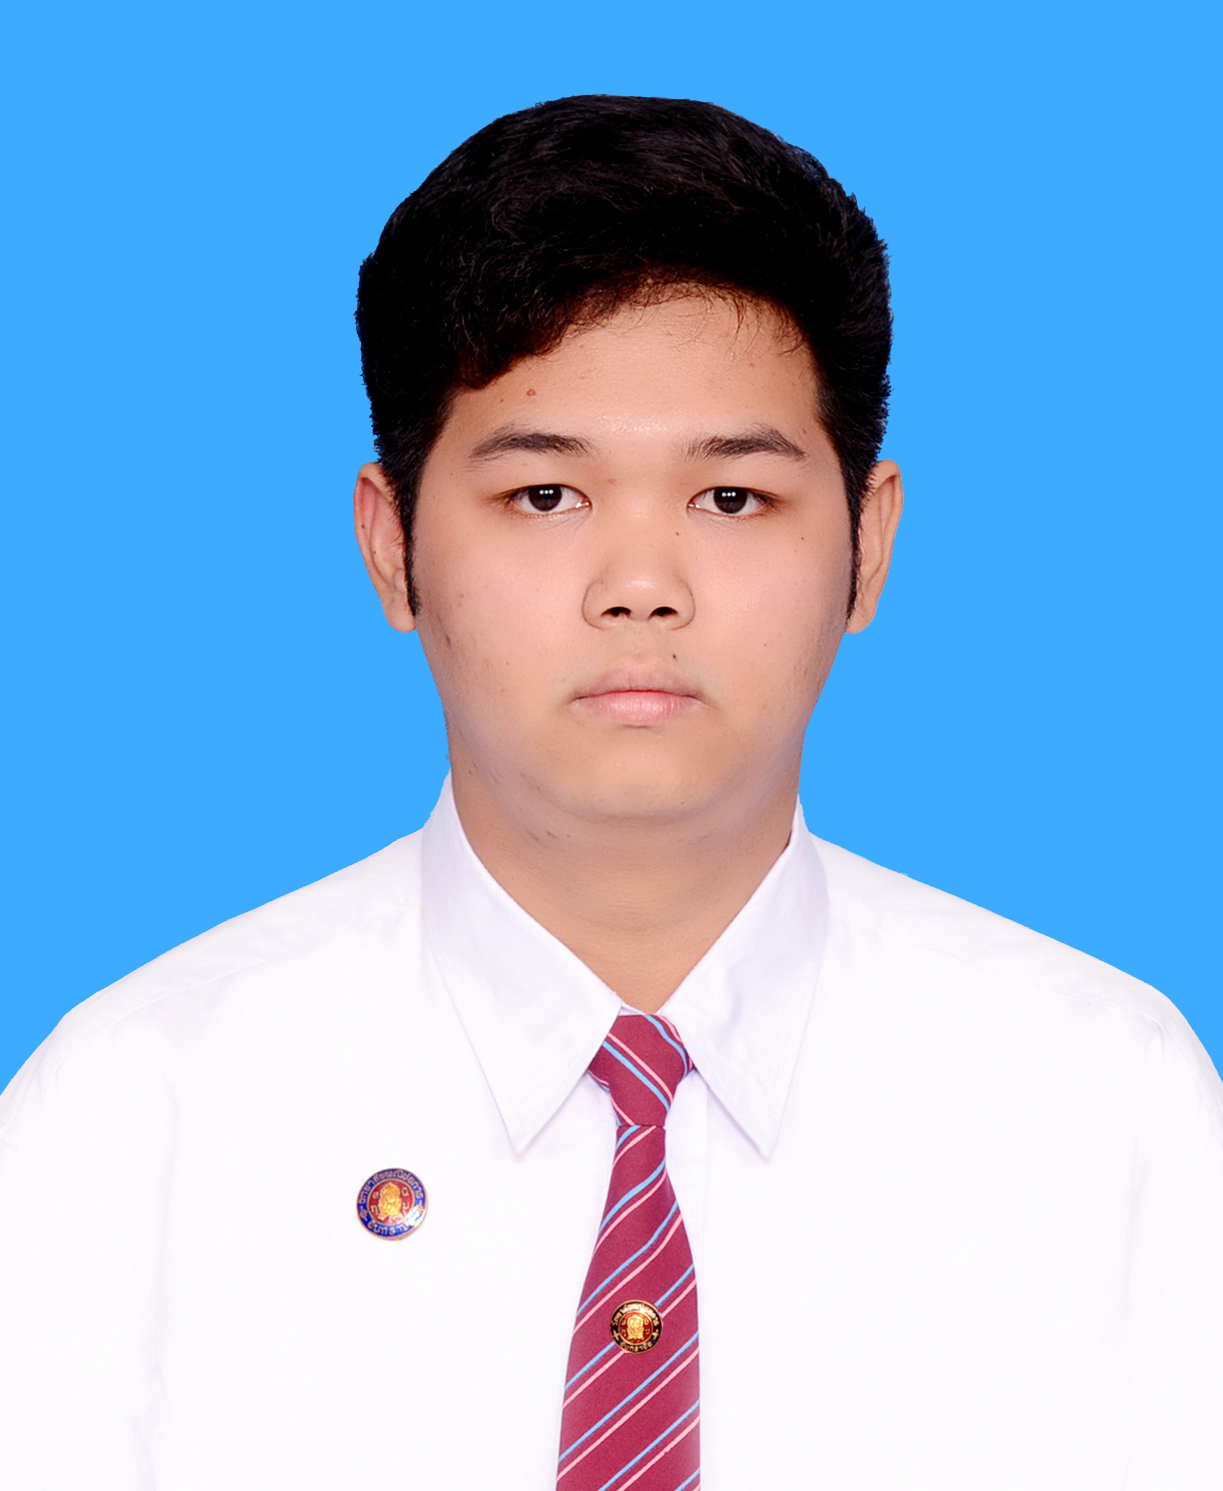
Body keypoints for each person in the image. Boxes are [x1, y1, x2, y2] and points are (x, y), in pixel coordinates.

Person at [1, 94, 1220, 1491]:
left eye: (731, 500)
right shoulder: (138, 1110)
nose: (640, 587)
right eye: (545, 497)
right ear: (392, 547)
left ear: (869, 546)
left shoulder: (1106, 1105)